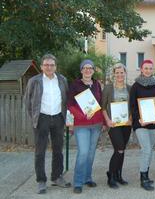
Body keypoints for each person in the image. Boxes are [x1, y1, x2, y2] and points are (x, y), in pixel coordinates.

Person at [24, 54, 71, 194]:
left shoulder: (62, 80)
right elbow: (28, 101)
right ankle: (41, 180)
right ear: (42, 66)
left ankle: (57, 177)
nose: (49, 67)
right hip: (41, 118)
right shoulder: (34, 81)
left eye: (52, 65)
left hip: (58, 118)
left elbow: (66, 99)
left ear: (56, 66)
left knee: (58, 150)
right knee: (40, 151)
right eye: (46, 65)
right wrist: (34, 117)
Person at [67, 59, 104, 194]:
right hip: (81, 124)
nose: (88, 70)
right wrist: (82, 115)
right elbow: (70, 104)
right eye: (85, 68)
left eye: (90, 68)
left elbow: (100, 103)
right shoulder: (75, 85)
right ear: (81, 70)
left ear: (93, 70)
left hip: (96, 124)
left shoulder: (97, 85)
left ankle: (87, 177)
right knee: (83, 152)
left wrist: (104, 122)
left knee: (91, 153)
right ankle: (78, 182)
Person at [129, 59, 155, 191]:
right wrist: (139, 119)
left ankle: (146, 175)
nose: (148, 70)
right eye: (146, 68)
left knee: (149, 150)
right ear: (141, 70)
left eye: (150, 68)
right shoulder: (135, 86)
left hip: (154, 123)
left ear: (152, 70)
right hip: (141, 123)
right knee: (146, 149)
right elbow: (133, 106)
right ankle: (143, 178)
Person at [101, 63, 132, 189]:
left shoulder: (130, 88)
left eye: (122, 72)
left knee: (121, 150)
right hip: (113, 124)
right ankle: (111, 175)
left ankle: (119, 175)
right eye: (117, 72)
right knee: (119, 148)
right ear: (114, 74)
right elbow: (103, 107)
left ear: (125, 73)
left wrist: (130, 119)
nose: (119, 75)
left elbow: (133, 106)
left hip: (126, 124)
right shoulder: (108, 88)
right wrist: (107, 120)